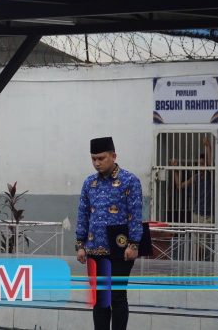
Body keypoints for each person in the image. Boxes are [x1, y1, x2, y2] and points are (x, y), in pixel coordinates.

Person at [76, 137, 143, 330]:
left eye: (101, 158)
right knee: (99, 299)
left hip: (120, 249)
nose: (97, 163)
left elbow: (135, 214)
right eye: (93, 159)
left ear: (113, 156)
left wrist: (134, 244)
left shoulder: (130, 181)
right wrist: (80, 245)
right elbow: (82, 214)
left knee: (117, 296)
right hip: (94, 249)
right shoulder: (89, 183)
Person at [171, 136, 215, 259]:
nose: (200, 166)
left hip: (207, 216)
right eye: (199, 164)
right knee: (196, 243)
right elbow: (179, 186)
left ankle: (198, 263)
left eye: (202, 164)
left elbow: (210, 164)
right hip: (196, 214)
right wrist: (174, 169)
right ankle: (197, 263)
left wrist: (208, 147)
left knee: (203, 245)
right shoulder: (196, 177)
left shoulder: (211, 176)